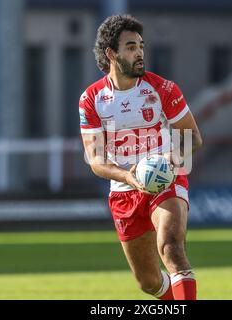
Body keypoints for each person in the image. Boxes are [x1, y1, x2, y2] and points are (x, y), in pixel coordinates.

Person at [79, 15, 202, 300]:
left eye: (141, 46)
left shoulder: (162, 89)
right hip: (124, 191)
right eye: (131, 47)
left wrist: (172, 159)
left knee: (171, 246)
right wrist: (128, 176)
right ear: (111, 54)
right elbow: (96, 160)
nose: (139, 53)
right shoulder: (91, 99)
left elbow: (192, 137)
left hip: (165, 180)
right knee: (148, 282)